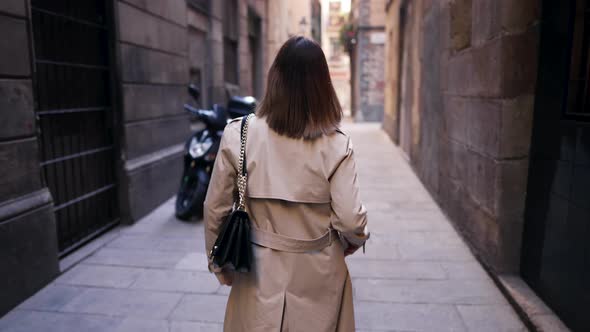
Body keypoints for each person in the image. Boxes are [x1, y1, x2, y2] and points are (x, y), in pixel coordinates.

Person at [203, 36, 369, 332]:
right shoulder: (337, 144)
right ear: (322, 84)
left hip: (256, 271)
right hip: (319, 274)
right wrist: (353, 241)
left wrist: (221, 266)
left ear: (275, 78)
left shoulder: (239, 134)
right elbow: (351, 220)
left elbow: (214, 208)